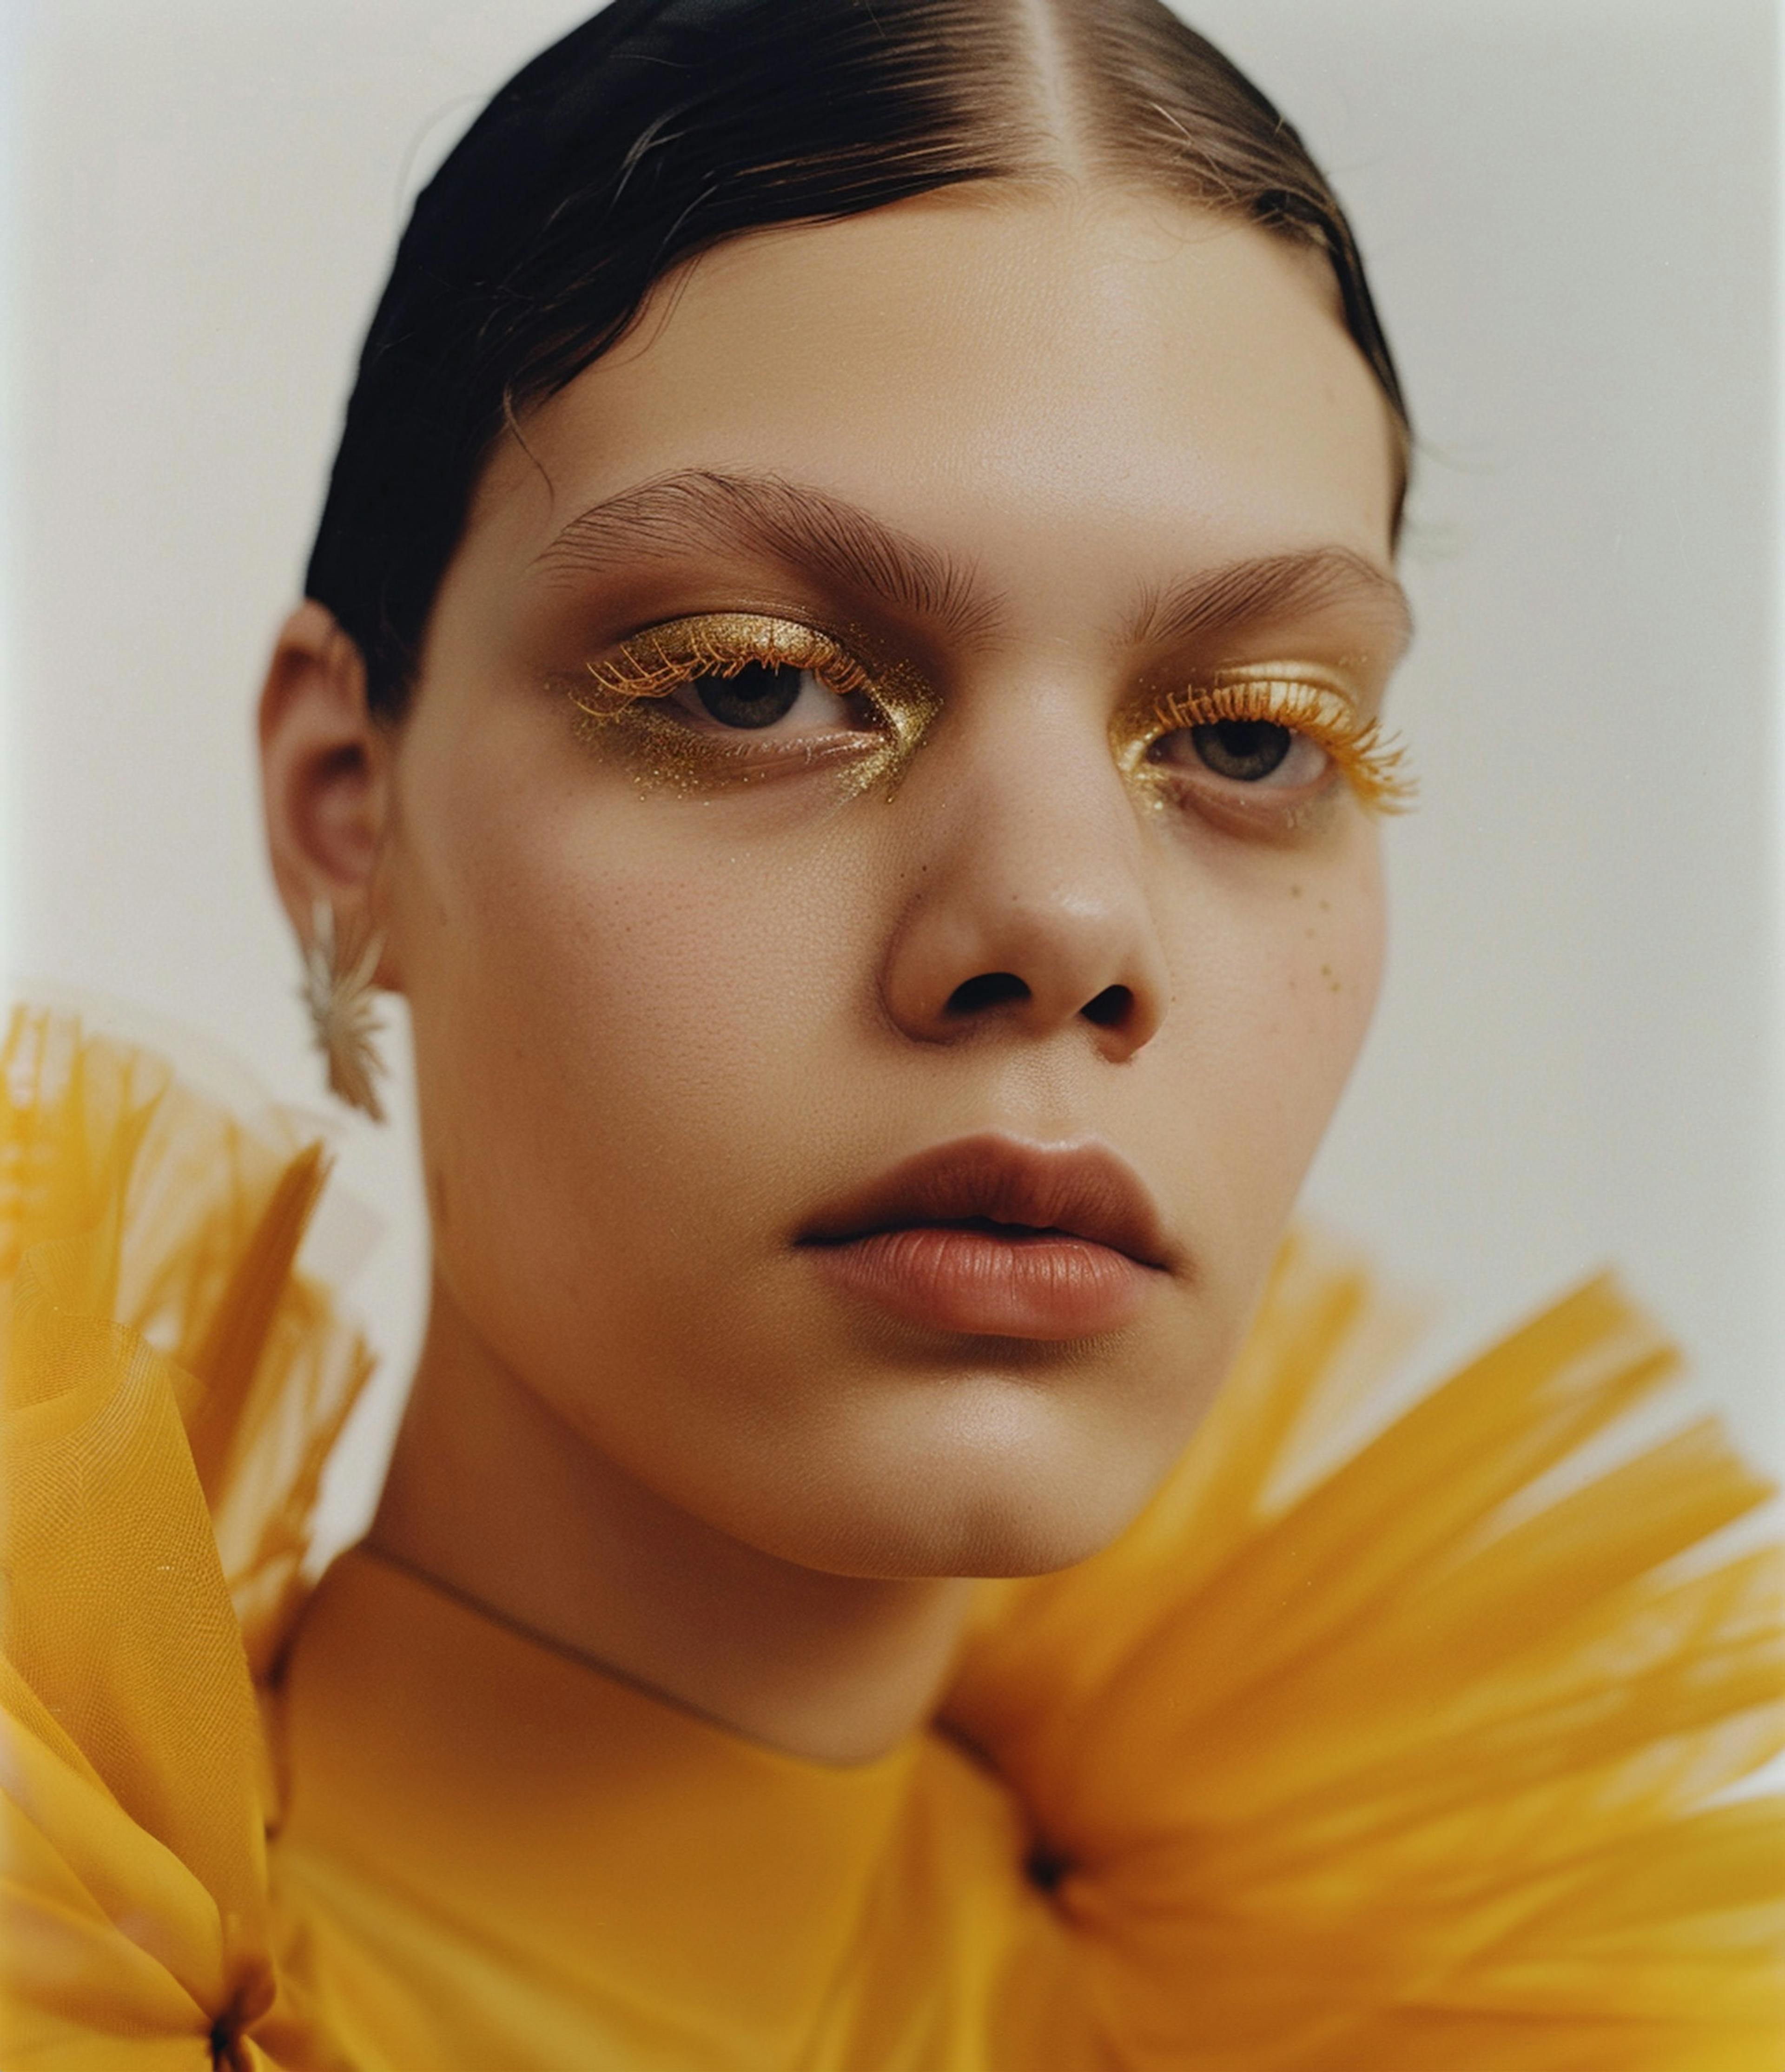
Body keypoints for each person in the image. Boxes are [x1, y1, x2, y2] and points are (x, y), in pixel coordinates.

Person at [4, 1, 1779, 2065]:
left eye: (1245, 733)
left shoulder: (1492, 2016)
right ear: (347, 808)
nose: (1063, 920)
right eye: (757, 683)